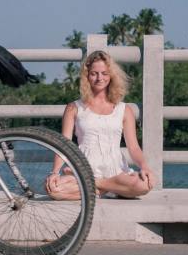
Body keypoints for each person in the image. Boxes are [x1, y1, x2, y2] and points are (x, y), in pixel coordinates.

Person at [46, 50, 154, 200]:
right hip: (83, 169)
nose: (99, 78)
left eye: (104, 73)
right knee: (53, 189)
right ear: (87, 76)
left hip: (116, 172)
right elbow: (64, 145)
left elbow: (134, 147)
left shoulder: (124, 109)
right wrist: (55, 173)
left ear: (111, 75)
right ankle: (109, 189)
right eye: (94, 73)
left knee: (145, 185)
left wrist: (144, 166)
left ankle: (97, 185)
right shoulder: (73, 108)